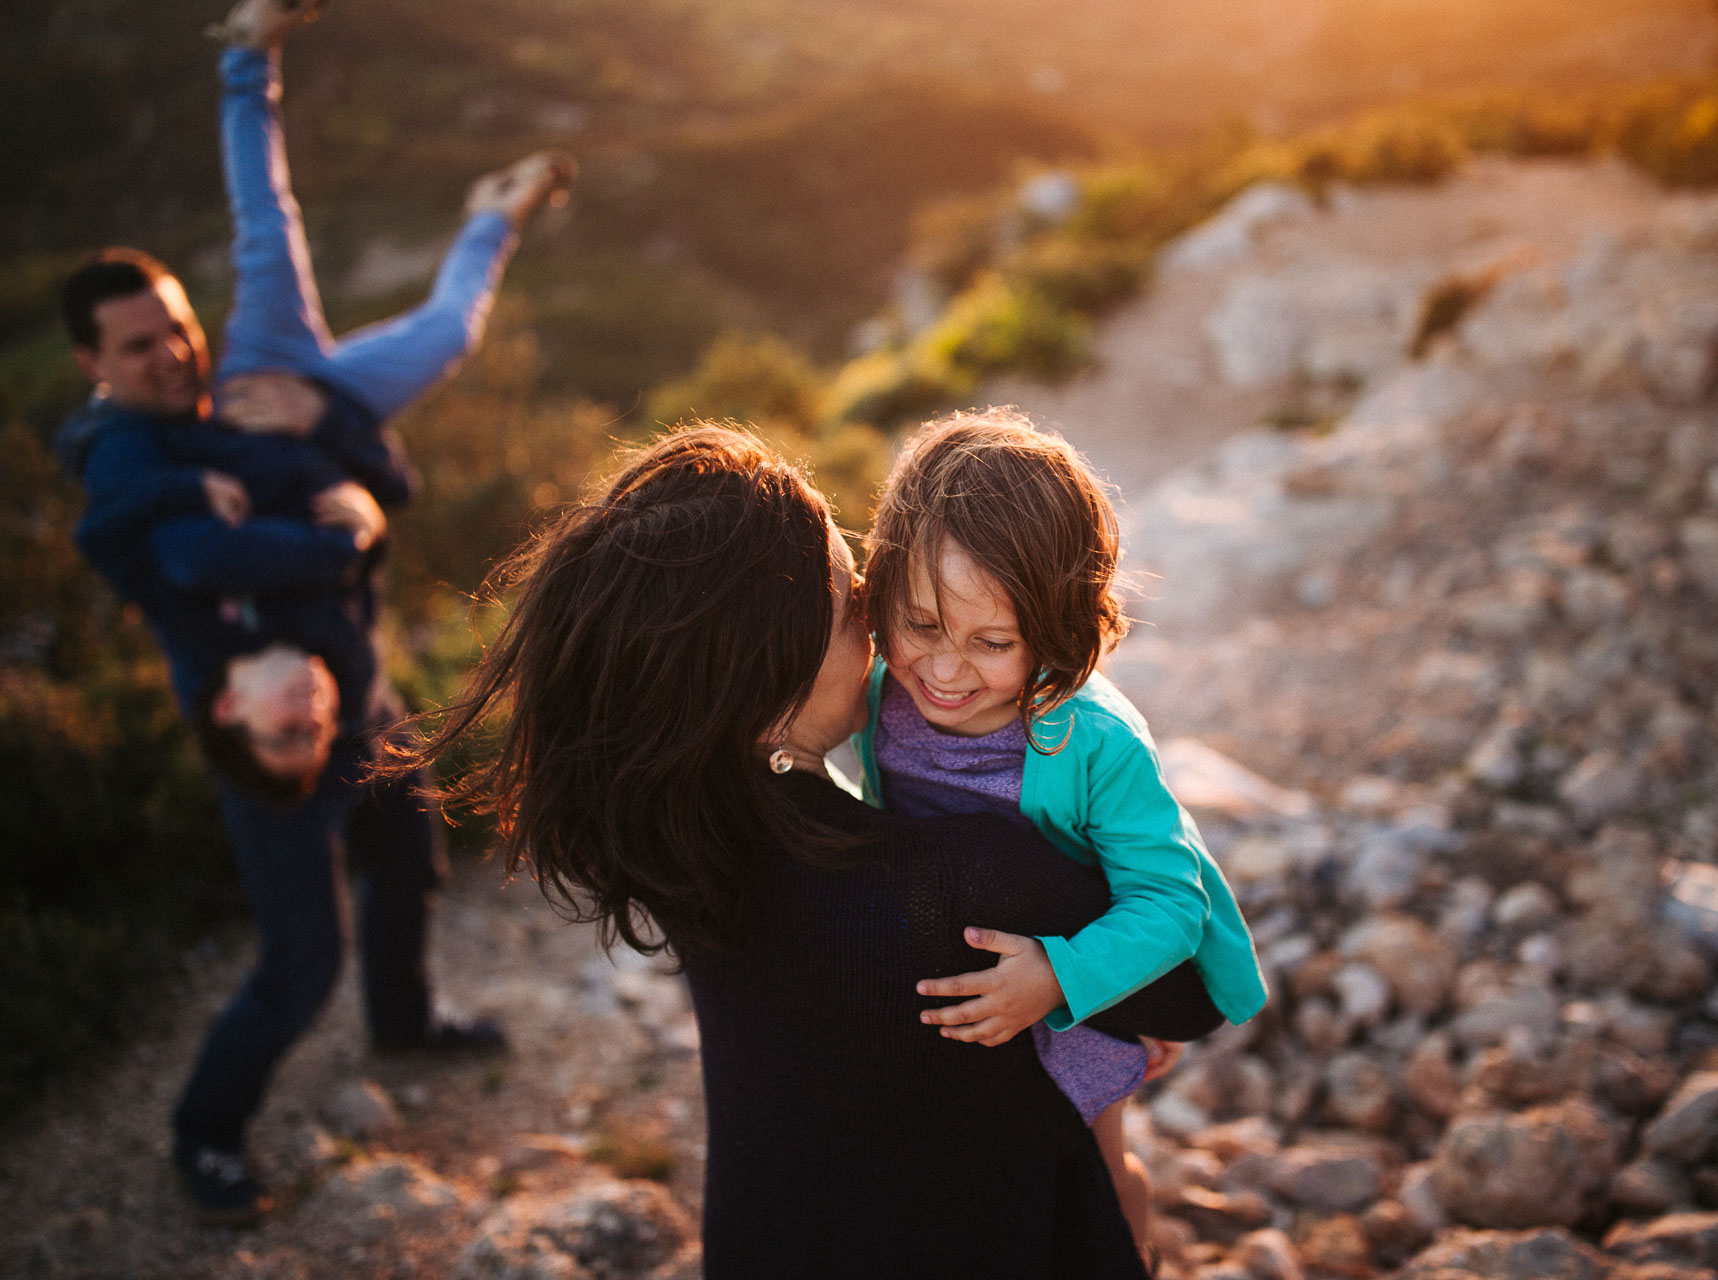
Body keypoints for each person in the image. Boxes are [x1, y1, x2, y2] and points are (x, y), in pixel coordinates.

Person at [390, 426, 1224, 1278]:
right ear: (772, 681)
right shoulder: (962, 877)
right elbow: (1187, 1000)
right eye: (847, 604)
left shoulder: (673, 841)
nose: (872, 602)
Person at [54, 0, 570, 1223]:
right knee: (299, 961)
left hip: (354, 678)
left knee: (406, 850)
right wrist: (334, 524)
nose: (174, 357)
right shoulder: (131, 463)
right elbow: (241, 541)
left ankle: (405, 1021)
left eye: (176, 330)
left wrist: (325, 447)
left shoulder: (242, 377)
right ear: (95, 367)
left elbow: (387, 481)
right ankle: (206, 1133)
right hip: (265, 728)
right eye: (139, 349)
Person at [851, 408, 1269, 1250]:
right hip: (963, 980)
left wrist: (1062, 979)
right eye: (922, 623)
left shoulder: (1095, 742)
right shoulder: (873, 696)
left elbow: (1169, 902)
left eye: (992, 642)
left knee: (1093, 1172)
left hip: (1076, 978)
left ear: (1054, 631)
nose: (943, 668)